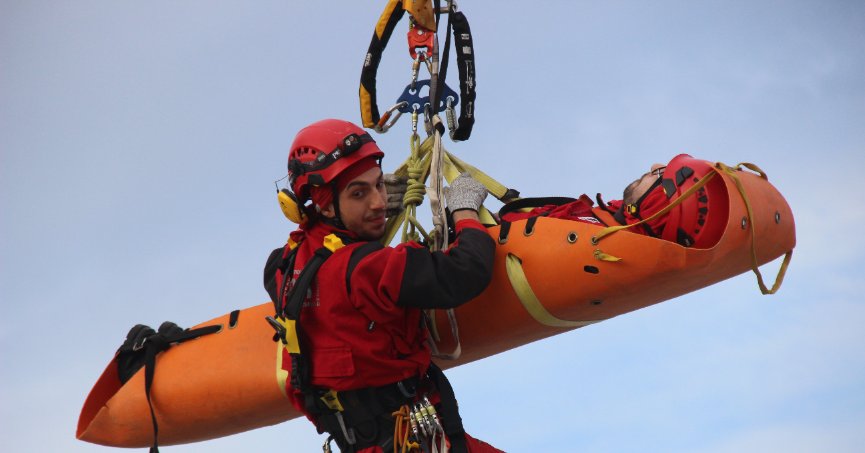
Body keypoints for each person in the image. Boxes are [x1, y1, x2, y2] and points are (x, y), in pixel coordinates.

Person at [263, 119, 503, 453]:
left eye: (378, 186)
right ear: (324, 203)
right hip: (412, 441)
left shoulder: (282, 266)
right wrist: (463, 211)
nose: (377, 202)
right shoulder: (369, 268)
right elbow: (466, 272)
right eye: (359, 193)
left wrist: (362, 216)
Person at [499, 153, 726, 249]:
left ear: (660, 202)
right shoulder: (611, 217)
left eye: (661, 174)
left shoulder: (597, 238)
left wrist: (464, 208)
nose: (653, 167)